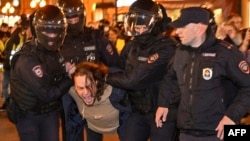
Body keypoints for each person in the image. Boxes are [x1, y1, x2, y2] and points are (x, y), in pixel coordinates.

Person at [155, 7, 250, 141]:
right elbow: (170, 78)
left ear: (199, 28)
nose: (177, 31)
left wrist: (231, 116)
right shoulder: (180, 52)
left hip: (219, 132)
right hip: (186, 131)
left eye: (182, 27)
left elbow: (248, 87)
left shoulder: (226, 54)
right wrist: (163, 104)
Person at [105, 0, 178, 141]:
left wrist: (104, 76)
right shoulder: (132, 45)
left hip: (162, 112)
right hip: (138, 110)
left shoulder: (167, 47)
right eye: (135, 26)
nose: (138, 30)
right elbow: (119, 67)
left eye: (142, 27)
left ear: (155, 23)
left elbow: (134, 80)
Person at [8, 5, 75, 141]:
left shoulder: (53, 52)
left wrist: (64, 68)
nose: (53, 37)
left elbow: (55, 72)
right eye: (48, 33)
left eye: (56, 33)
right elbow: (48, 93)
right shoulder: (28, 59)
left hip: (49, 112)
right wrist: (69, 78)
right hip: (29, 116)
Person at [58, 0, 120, 140]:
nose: (73, 21)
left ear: (82, 16)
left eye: (75, 17)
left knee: (95, 135)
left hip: (92, 96)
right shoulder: (58, 41)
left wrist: (101, 78)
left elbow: (115, 64)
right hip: (69, 98)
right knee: (71, 135)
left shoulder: (95, 37)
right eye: (69, 18)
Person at [69, 61, 130, 141]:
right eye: (81, 88)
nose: (86, 92)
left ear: (97, 82)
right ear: (74, 87)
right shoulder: (72, 90)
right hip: (93, 125)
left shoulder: (114, 90)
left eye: (90, 86)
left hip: (119, 125)